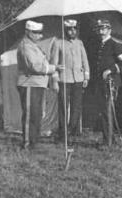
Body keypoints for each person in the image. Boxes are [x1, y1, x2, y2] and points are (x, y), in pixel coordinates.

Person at [86, 18, 122, 143]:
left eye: (104, 28)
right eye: (99, 29)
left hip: (111, 82)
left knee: (107, 110)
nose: (101, 31)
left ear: (109, 30)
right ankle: (109, 138)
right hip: (101, 83)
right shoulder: (98, 44)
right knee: (104, 110)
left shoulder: (114, 44)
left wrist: (111, 69)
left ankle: (109, 141)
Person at [16, 20, 58, 150]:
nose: (40, 36)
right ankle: (27, 143)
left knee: (37, 114)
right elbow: (34, 66)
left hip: (37, 84)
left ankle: (33, 141)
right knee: (30, 115)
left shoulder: (33, 46)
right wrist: (52, 68)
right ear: (28, 32)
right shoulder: (25, 46)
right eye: (36, 33)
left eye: (40, 33)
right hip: (29, 83)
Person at [50, 18, 90, 141]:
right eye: (69, 29)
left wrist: (86, 76)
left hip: (78, 79)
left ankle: (73, 130)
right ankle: (63, 133)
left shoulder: (79, 43)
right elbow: (54, 63)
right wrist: (55, 80)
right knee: (63, 107)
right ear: (65, 30)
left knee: (76, 106)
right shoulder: (58, 43)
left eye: (74, 29)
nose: (72, 31)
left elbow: (85, 60)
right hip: (64, 80)